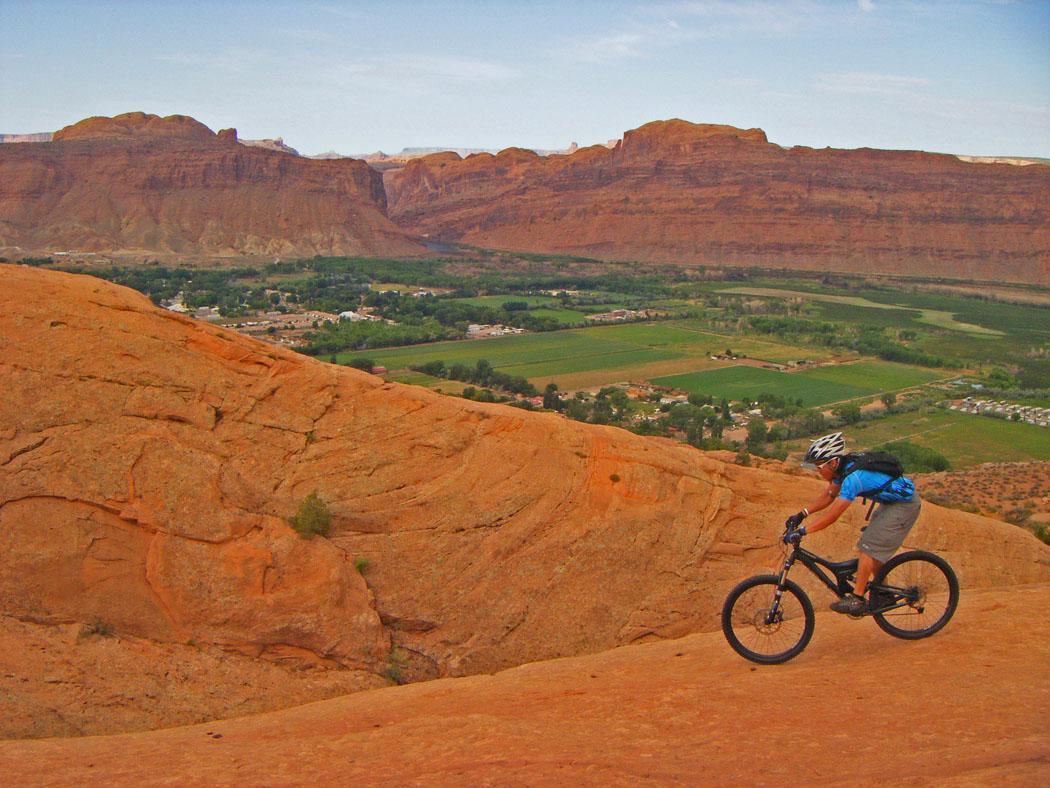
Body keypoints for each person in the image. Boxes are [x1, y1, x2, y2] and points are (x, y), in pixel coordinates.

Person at [781, 432, 921, 616]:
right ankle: (884, 594)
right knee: (874, 549)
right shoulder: (842, 468)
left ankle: (858, 598)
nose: (817, 470)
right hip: (890, 504)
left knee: (868, 547)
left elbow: (833, 516)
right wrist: (802, 514)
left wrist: (803, 531)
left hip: (904, 506)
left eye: (819, 466)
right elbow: (830, 495)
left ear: (833, 462)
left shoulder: (853, 479)